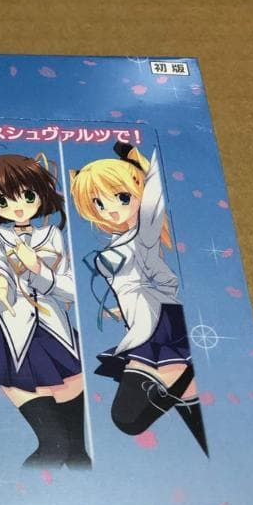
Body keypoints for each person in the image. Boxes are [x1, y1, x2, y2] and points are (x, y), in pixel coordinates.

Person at [70, 142, 208, 454]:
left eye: (121, 197)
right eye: (99, 203)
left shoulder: (144, 233)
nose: (111, 209)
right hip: (143, 322)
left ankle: (187, 377)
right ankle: (189, 383)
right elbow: (127, 283)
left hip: (161, 325)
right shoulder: (118, 241)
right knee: (193, 417)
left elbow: (155, 199)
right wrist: (124, 309)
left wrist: (140, 161)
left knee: (128, 416)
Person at [0, 151, 91, 469]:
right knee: (53, 446)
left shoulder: (52, 235)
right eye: (2, 200)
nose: (18, 206)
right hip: (12, 339)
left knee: (77, 452)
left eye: (27, 195)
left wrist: (37, 268)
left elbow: (69, 290)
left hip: (58, 339)